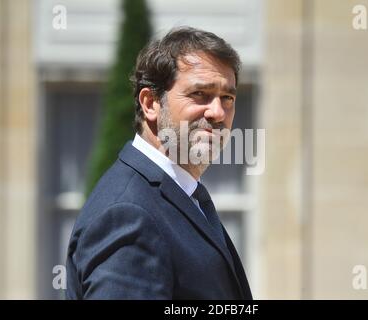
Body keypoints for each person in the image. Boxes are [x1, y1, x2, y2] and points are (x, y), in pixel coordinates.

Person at [66, 26, 252, 299]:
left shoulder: (183, 195)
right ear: (150, 103)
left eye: (228, 98)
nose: (218, 112)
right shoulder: (128, 213)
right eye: (200, 94)